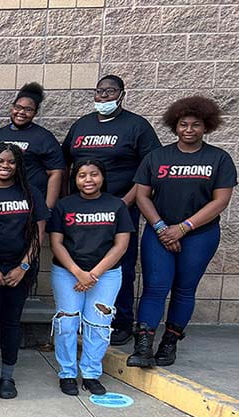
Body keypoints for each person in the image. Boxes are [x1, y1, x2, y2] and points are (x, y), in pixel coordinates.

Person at [129, 96, 236, 368]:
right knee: (155, 287)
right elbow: (142, 196)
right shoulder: (158, 157)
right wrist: (163, 228)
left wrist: (184, 228)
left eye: (195, 125)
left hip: (199, 235)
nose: (189, 130)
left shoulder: (218, 159)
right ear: (174, 126)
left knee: (184, 290)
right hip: (159, 232)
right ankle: (143, 346)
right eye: (183, 124)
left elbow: (220, 201)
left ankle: (170, 342)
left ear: (206, 127)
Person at [63, 75, 161, 346]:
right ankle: (86, 319)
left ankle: (121, 321)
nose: (104, 97)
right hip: (81, 212)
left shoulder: (137, 126)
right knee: (82, 262)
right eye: (99, 91)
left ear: (122, 94)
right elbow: (65, 164)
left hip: (120, 209)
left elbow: (150, 170)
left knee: (121, 265)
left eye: (110, 92)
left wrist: (123, 204)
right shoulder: (82, 125)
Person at [0, 144, 49, 399]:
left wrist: (23, 266)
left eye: (11, 162)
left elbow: (39, 233)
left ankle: (8, 377)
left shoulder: (31, 193)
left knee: (12, 322)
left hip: (21, 269)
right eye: (0, 161)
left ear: (18, 166)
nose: (5, 166)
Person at [49, 161, 132, 395]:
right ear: (75, 179)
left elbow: (121, 245)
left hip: (105, 275)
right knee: (67, 322)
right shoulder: (64, 205)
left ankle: (91, 373)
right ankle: (67, 373)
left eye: (94, 175)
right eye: (82, 175)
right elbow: (56, 243)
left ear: (102, 178)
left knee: (98, 324)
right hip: (67, 273)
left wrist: (93, 275)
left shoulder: (116, 205)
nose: (88, 180)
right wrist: (78, 273)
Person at [0, 82, 66, 209]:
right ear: (12, 108)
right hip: (0, 205)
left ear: (35, 113)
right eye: (18, 107)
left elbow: (56, 172)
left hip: (31, 203)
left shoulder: (44, 137)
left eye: (28, 109)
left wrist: (48, 208)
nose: (21, 112)